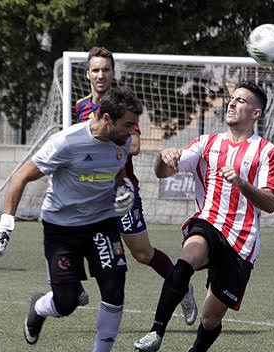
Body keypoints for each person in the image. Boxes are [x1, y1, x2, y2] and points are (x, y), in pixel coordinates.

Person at [0, 86, 142, 352]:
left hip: (102, 223)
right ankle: (39, 308)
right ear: (107, 119)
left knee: (114, 288)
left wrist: (123, 190)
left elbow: (117, 174)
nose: (133, 132)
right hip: (61, 229)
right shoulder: (66, 142)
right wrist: (7, 223)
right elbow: (21, 177)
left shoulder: (121, 142)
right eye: (128, 124)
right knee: (67, 302)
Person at [133, 80, 274, 352]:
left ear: (255, 113)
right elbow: (163, 172)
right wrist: (164, 156)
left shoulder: (266, 152)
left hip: (241, 240)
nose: (232, 103)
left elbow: (270, 203)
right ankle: (156, 331)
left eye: (241, 101)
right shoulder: (206, 143)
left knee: (211, 318)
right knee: (188, 256)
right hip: (208, 222)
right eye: (232, 98)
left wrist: (241, 183)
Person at [74, 46, 197, 325]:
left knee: (142, 254)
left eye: (106, 69)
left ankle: (181, 286)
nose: (101, 75)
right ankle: (71, 286)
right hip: (92, 191)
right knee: (71, 229)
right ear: (87, 74)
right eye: (96, 70)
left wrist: (100, 144)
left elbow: (137, 146)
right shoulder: (81, 107)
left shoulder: (122, 104)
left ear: (113, 72)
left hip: (121, 192)